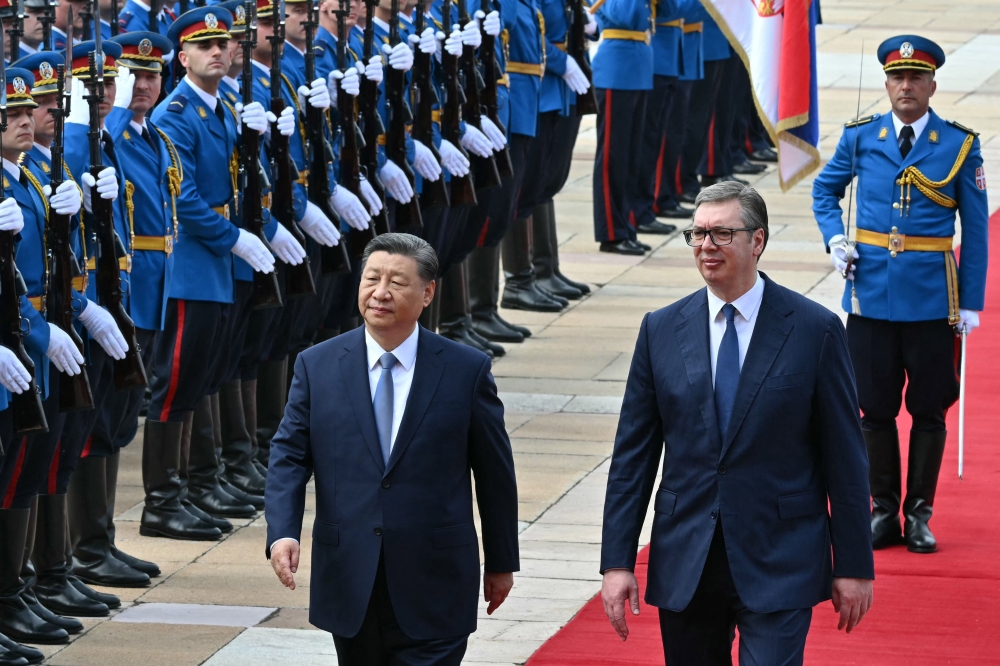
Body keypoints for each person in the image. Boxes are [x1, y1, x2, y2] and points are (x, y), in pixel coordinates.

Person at [600, 181, 875, 664]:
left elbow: (845, 458)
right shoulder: (660, 329)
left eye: (722, 233)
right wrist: (617, 561)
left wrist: (853, 564)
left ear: (757, 241)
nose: (706, 245)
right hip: (688, 557)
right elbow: (632, 459)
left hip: (781, 556)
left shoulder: (814, 330)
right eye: (698, 233)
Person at [265, 233, 519, 665]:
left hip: (436, 579)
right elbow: (289, 456)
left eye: (396, 282)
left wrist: (501, 561)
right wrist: (282, 532)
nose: (380, 293)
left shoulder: (465, 370)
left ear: (427, 292)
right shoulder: (317, 365)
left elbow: (495, 473)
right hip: (349, 577)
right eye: (372, 279)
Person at [813, 35, 987, 554]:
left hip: (932, 300)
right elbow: (825, 190)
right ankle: (883, 511)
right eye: (897, 78)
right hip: (870, 296)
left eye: (915, 78)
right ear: (887, 84)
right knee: (873, 408)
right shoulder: (861, 137)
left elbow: (976, 229)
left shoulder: (958, 145)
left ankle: (919, 515)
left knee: (929, 409)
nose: (905, 86)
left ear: (932, 85)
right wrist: (835, 239)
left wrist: (971, 301)